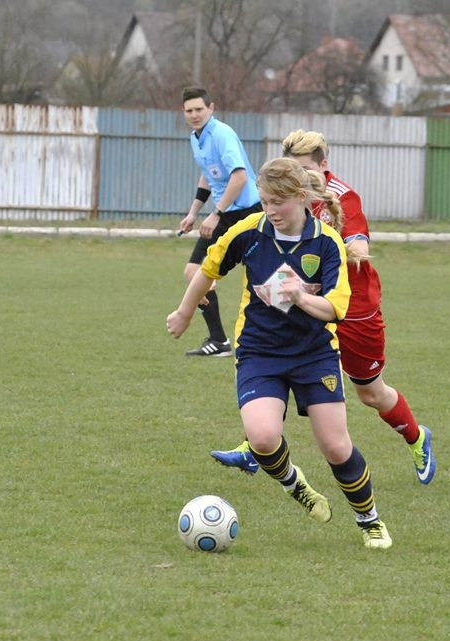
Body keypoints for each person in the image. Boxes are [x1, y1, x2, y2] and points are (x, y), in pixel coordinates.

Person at [167, 157, 393, 549]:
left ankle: (369, 520)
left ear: (302, 197)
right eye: (265, 201)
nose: (270, 210)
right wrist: (185, 312)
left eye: (278, 202)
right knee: (262, 436)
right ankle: (295, 485)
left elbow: (335, 309)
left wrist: (301, 297)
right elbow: (208, 268)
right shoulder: (249, 232)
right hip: (260, 352)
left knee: (335, 446)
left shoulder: (326, 242)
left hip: (314, 353)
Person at [211, 130, 435, 485]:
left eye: (304, 169)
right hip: (303, 309)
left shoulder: (342, 197)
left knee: (371, 393)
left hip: (354, 310)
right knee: (275, 360)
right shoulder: (284, 199)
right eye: (291, 169)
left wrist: (330, 253)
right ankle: (257, 446)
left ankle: (417, 437)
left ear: (324, 165)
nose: (297, 176)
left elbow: (359, 248)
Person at [177, 86, 262, 357]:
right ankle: (219, 340)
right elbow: (208, 175)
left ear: (211, 108)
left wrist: (215, 214)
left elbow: (240, 177)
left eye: (199, 109)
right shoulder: (196, 137)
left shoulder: (222, 134)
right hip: (225, 214)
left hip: (247, 213)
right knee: (194, 272)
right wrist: (193, 213)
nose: (194, 115)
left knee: (263, 278)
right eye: (189, 111)